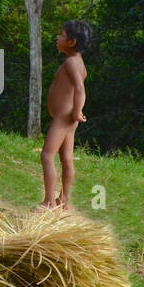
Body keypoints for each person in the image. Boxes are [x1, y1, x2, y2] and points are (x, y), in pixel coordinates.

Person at [40, 20, 92, 211]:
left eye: (61, 35)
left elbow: (80, 88)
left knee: (47, 156)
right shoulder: (79, 63)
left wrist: (77, 110)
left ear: (71, 42)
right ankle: (65, 200)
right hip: (68, 118)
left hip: (64, 117)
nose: (57, 37)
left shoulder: (71, 63)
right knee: (67, 159)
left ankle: (49, 201)